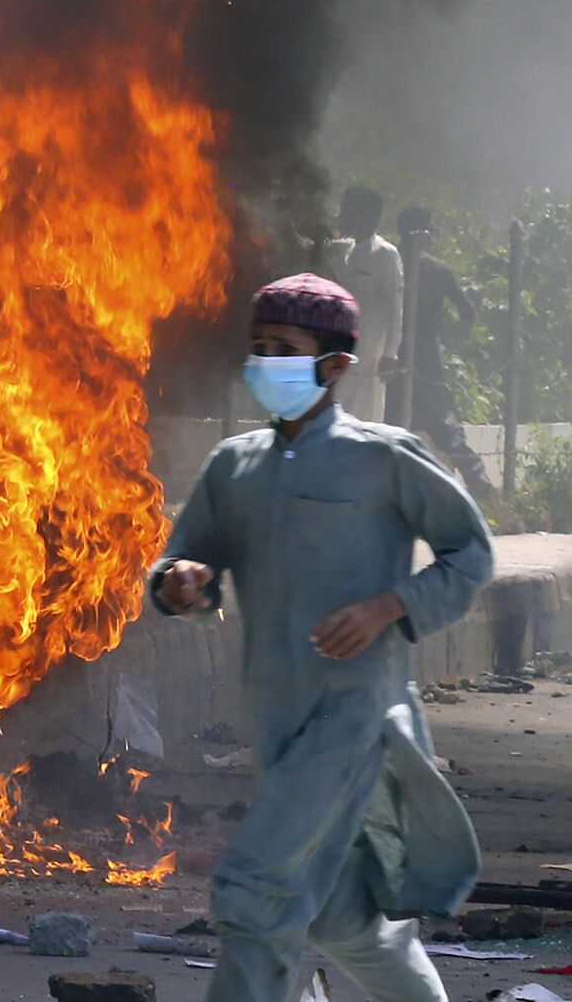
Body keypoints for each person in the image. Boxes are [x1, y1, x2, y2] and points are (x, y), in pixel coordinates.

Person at [153, 273, 493, 1002]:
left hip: (357, 715)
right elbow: (190, 564)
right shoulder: (234, 466)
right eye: (259, 348)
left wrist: (389, 606)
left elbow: (473, 554)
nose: (266, 362)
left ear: (335, 365)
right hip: (275, 718)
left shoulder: (386, 456)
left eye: (285, 348)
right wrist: (183, 583)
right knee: (345, 924)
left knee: (255, 890)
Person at [391, 207, 494, 497]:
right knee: (442, 421)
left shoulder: (391, 261)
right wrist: (450, 338)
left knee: (392, 418)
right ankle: (475, 475)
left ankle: (393, 485)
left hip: (393, 350)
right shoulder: (437, 269)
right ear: (424, 233)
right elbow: (467, 312)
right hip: (426, 352)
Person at [328, 186, 404, 421]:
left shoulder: (385, 254)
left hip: (368, 357)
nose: (342, 217)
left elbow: (395, 307)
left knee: (363, 419)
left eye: (348, 211)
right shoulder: (342, 250)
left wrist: (390, 353)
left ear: (366, 217)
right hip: (337, 350)